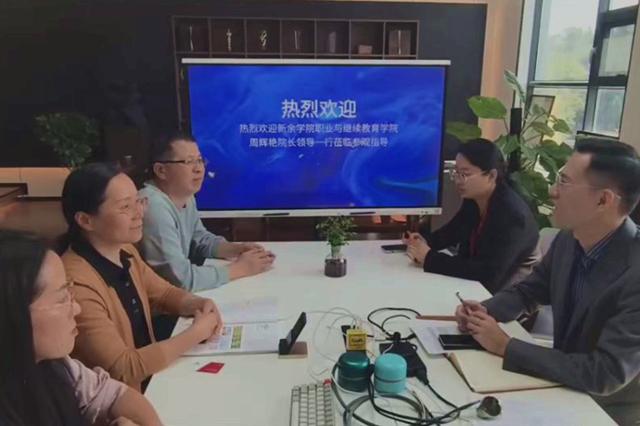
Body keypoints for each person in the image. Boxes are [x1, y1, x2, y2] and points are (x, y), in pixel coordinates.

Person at [454, 137, 640, 425]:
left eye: (564, 182)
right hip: (559, 384)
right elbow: (530, 290)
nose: (552, 192)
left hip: (604, 411)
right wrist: (484, 311)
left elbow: (604, 373)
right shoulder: (570, 238)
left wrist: (505, 345)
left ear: (603, 200)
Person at [59, 162, 223, 391]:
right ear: (86, 220)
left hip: (153, 380)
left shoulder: (124, 250)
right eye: (126, 207)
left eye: (139, 201)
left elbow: (163, 293)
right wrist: (195, 334)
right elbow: (123, 368)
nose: (139, 213)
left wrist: (196, 303)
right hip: (122, 401)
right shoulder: (75, 283)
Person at [0, 229, 162, 426]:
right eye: (61, 299)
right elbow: (124, 367)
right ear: (12, 313)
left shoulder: (57, 365)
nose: (76, 308)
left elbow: (113, 395)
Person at [138, 132, 275, 293]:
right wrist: (239, 269)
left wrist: (235, 249)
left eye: (200, 160)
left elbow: (199, 239)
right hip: (158, 304)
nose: (199, 169)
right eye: (189, 162)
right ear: (161, 170)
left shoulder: (184, 195)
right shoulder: (153, 206)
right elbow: (180, 279)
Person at [404, 138, 539, 293]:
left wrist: (429, 258)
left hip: (508, 294)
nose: (457, 180)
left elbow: (487, 274)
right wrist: (423, 242)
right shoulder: (475, 199)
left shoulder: (513, 216)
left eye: (465, 174)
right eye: (456, 172)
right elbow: (453, 231)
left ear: (491, 175)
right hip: (474, 285)